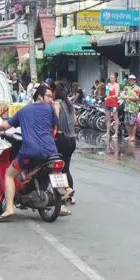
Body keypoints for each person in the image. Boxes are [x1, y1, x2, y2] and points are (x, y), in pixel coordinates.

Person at [0, 84, 59, 222]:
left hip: (30, 151)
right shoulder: (50, 108)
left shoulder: (24, 110)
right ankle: (64, 194)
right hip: (51, 150)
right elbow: (55, 124)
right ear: (40, 96)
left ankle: (10, 208)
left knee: (9, 174)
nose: (50, 99)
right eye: (48, 96)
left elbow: (5, 126)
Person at [53, 82, 76, 214]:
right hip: (72, 140)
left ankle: (62, 196)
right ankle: (70, 195)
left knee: (58, 169)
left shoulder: (57, 103)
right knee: (66, 167)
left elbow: (55, 121)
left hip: (61, 139)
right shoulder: (70, 104)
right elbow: (75, 120)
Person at [120, 75, 140, 144]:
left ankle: (133, 136)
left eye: (132, 80)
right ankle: (129, 135)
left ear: (135, 80)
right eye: (130, 80)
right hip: (127, 107)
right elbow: (122, 95)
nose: (131, 81)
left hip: (134, 108)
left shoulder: (137, 88)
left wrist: (127, 97)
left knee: (133, 123)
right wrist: (125, 97)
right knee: (126, 122)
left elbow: (138, 99)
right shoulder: (126, 87)